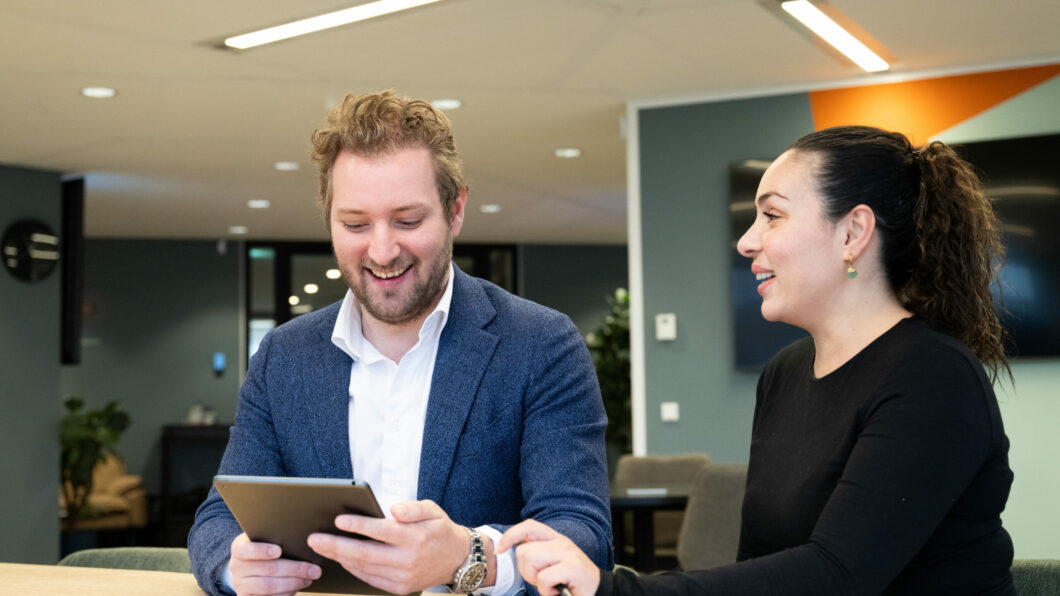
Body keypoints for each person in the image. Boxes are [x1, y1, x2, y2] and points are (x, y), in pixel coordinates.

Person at [501, 125, 1016, 595]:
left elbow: (838, 576)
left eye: (772, 215)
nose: (747, 241)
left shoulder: (934, 377)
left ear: (853, 233)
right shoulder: (785, 374)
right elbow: (760, 565)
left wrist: (613, 590)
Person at [188, 90, 613, 596]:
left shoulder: (542, 345)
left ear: (455, 211)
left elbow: (582, 534)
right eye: (355, 224)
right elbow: (218, 518)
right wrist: (238, 570)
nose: (382, 249)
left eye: (408, 221)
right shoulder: (284, 356)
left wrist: (468, 558)